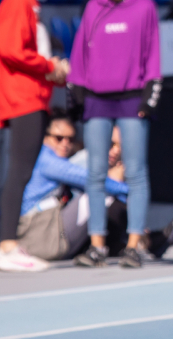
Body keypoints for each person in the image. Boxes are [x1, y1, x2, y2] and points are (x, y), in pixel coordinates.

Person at [68, 0, 162, 269]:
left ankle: (133, 245)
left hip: (131, 99)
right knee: (95, 173)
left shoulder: (144, 8)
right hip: (97, 100)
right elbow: (80, 52)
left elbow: (152, 53)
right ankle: (98, 246)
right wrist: (76, 91)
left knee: (135, 173)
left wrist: (151, 94)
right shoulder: (93, 8)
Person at [0, 0, 66, 272]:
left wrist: (53, 71)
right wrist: (49, 66)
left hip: (33, 96)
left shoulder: (30, 4)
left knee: (22, 171)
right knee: (19, 172)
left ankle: (10, 243)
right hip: (22, 99)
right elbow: (10, 48)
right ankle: (7, 246)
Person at [17, 110, 127, 262]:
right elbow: (93, 180)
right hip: (39, 232)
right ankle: (107, 246)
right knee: (96, 193)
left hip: (48, 226)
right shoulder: (46, 160)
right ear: (45, 136)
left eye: (70, 139)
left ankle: (125, 242)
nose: (65, 144)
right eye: (59, 138)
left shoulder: (56, 159)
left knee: (98, 191)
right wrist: (132, 191)